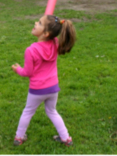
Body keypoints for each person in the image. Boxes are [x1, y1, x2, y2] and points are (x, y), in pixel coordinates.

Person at [12, 15, 76, 147]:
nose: (35, 23)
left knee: (28, 111)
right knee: (52, 112)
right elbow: (52, 32)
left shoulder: (30, 50)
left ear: (46, 33)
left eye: (39, 23)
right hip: (53, 88)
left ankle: (19, 137)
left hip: (37, 90)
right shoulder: (55, 43)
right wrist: (48, 22)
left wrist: (17, 69)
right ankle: (66, 138)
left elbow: (27, 72)